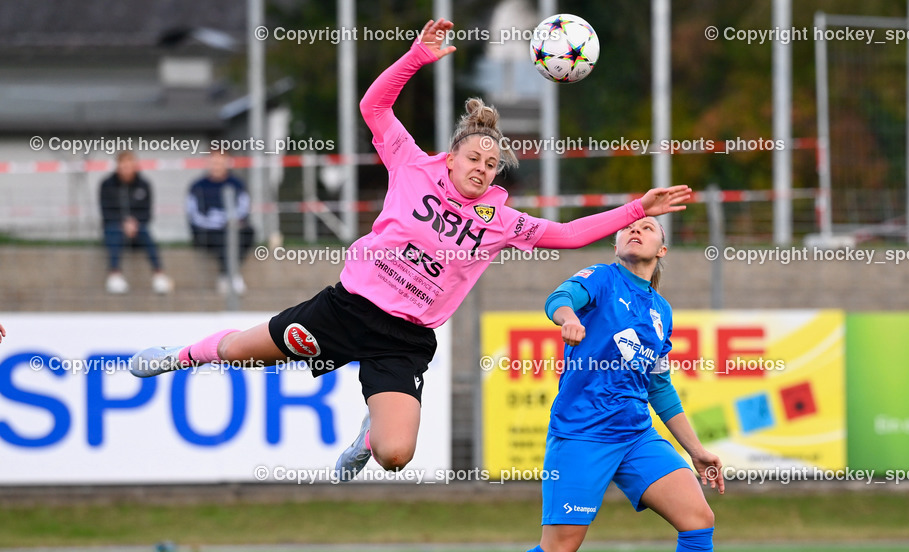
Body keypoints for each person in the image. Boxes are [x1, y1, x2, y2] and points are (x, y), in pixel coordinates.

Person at [129, 18, 692, 484]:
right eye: (473, 157)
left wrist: (637, 208)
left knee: (395, 456)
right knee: (246, 352)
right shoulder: (411, 164)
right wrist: (415, 58)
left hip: (406, 337)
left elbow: (567, 235)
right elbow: (374, 108)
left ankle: (370, 430)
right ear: (450, 157)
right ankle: (179, 356)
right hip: (347, 309)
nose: (481, 167)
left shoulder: (500, 221)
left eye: (491, 164)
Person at [461, 217, 745, 552]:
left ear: (663, 250)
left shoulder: (661, 310)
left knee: (698, 518)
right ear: (615, 242)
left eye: (649, 227)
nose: (636, 230)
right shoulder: (599, 278)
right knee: (558, 550)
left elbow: (659, 386)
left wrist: (697, 450)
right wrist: (568, 316)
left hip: (635, 435)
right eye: (629, 226)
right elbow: (560, 298)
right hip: (581, 435)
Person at [99, 151, 173, 294]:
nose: (126, 169)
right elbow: (106, 212)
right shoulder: (107, 185)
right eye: (123, 165)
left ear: (135, 166)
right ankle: (114, 275)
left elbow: (147, 213)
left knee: (148, 236)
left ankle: (159, 274)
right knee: (113, 233)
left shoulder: (144, 184)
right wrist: (123, 223)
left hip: (138, 228)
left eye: (129, 165)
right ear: (118, 166)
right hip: (115, 227)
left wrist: (134, 223)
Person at [187, 150, 255, 295]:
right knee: (222, 237)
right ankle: (232, 276)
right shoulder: (197, 186)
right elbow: (193, 214)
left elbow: (243, 209)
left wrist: (228, 220)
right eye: (214, 162)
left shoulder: (237, 184)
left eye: (220, 162)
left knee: (248, 232)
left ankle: (226, 275)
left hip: (230, 226)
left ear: (227, 163)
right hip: (206, 230)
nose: (217, 166)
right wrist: (214, 222)